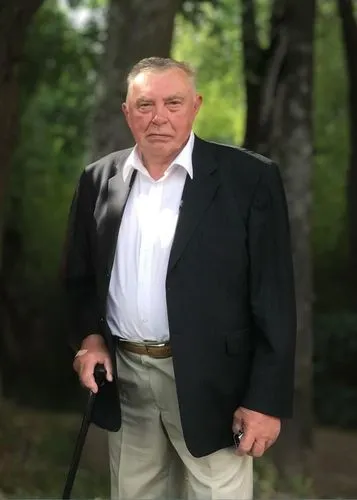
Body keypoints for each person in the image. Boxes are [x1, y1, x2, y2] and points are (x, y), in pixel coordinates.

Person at [62, 56, 296, 500]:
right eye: (145, 104)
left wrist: (266, 400)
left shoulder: (249, 179)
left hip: (215, 384)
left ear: (196, 106)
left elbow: (275, 299)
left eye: (173, 102)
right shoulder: (99, 180)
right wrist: (90, 339)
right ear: (127, 112)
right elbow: (78, 279)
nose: (159, 117)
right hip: (126, 376)